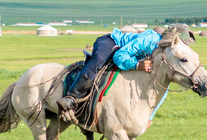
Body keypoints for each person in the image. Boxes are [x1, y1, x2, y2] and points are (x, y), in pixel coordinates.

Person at [58, 24, 194, 112]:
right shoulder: (150, 39)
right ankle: (72, 96)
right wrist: (137, 65)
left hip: (126, 54)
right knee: (98, 60)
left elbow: (161, 87)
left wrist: (150, 117)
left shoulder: (165, 56)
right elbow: (119, 56)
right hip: (112, 42)